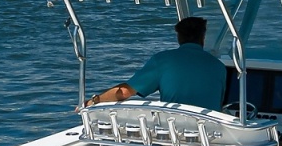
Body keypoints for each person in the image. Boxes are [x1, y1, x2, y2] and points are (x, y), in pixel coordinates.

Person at [83, 16, 227, 110]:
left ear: (179, 37)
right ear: (203, 37)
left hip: (175, 133)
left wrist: (94, 101)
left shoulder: (163, 60)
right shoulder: (219, 67)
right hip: (211, 135)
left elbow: (124, 92)